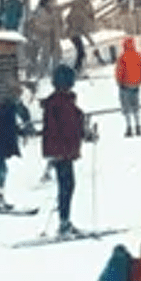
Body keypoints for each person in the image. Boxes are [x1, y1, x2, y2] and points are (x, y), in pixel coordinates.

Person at [42, 63, 90, 236]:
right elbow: (67, 126)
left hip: (61, 150)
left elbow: (74, 122)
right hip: (62, 150)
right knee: (66, 185)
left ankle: (65, 220)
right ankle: (64, 223)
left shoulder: (61, 101)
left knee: (67, 185)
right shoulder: (61, 103)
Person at [0, 78, 34, 212]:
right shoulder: (4, 108)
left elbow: (12, 126)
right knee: (1, 170)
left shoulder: (6, 107)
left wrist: (22, 131)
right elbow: (2, 128)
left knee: (2, 170)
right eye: (17, 95)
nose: (19, 98)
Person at [114, 37, 141, 137]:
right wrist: (140, 80)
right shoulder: (139, 55)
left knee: (126, 108)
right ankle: (138, 127)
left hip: (125, 86)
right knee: (136, 106)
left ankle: (129, 128)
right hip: (136, 86)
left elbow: (119, 72)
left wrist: (119, 82)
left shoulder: (123, 57)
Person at [27, 0, 65, 81]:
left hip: (55, 39)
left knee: (57, 57)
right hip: (45, 38)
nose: (54, 4)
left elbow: (60, 24)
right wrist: (47, 29)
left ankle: (56, 76)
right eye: (52, 2)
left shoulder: (56, 12)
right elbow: (34, 25)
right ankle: (40, 76)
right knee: (45, 58)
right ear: (47, 2)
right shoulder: (39, 12)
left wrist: (60, 31)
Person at [65, 0, 97, 75]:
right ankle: (77, 70)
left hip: (73, 34)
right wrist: (90, 41)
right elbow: (83, 30)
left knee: (81, 52)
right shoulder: (79, 13)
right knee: (81, 52)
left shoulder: (76, 9)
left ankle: (78, 69)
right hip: (74, 34)